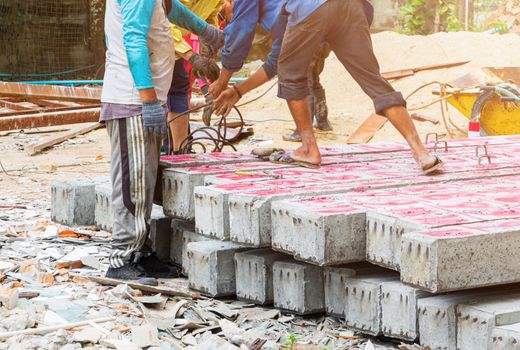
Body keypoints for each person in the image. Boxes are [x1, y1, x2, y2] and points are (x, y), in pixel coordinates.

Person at [214, 0, 443, 174]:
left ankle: (308, 149)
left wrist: (223, 81)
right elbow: (276, 61)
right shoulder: (283, 14)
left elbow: (239, 33)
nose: (229, 16)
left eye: (225, 14)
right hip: (350, 7)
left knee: (291, 77)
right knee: (373, 79)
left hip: (312, 8)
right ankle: (421, 153)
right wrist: (237, 91)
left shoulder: (242, 3)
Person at [101, 0, 224, 280]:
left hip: (144, 99)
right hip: (131, 99)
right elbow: (133, 38)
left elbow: (168, 7)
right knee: (132, 185)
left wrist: (205, 30)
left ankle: (140, 253)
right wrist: (147, 100)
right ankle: (122, 259)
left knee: (143, 184)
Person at [167, 0, 225, 153]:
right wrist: (190, 55)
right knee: (157, 96)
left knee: (179, 90)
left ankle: (180, 151)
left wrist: (209, 39)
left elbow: (209, 15)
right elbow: (161, 21)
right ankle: (160, 147)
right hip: (151, 42)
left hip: (176, 47)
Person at [283, 42, 332, 142]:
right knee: (314, 78)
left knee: (306, 80)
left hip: (309, 40)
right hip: (323, 42)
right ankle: (322, 121)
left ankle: (303, 131)